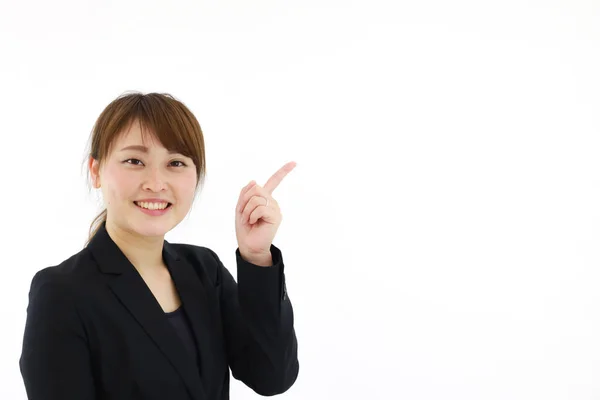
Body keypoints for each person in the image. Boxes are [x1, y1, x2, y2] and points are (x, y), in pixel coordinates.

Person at [19, 92, 299, 400]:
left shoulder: (204, 270)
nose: (155, 182)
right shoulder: (62, 292)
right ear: (96, 171)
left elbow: (272, 376)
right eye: (134, 161)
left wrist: (256, 256)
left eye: (176, 162)